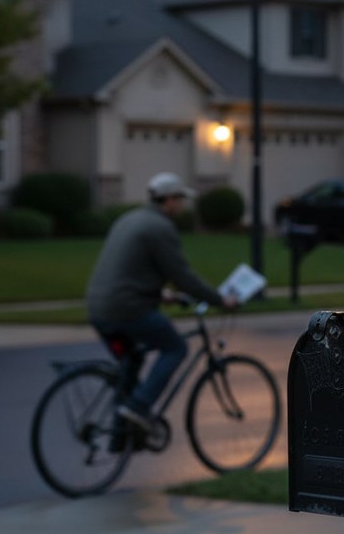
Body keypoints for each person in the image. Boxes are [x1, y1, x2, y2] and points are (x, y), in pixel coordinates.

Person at [86, 172, 238, 432]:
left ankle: (119, 434)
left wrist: (159, 294)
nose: (182, 206)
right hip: (126, 309)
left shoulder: (130, 219)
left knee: (131, 364)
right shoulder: (160, 227)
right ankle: (139, 407)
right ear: (169, 199)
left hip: (98, 307)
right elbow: (182, 276)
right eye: (180, 199)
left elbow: (128, 270)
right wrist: (219, 299)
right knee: (175, 347)